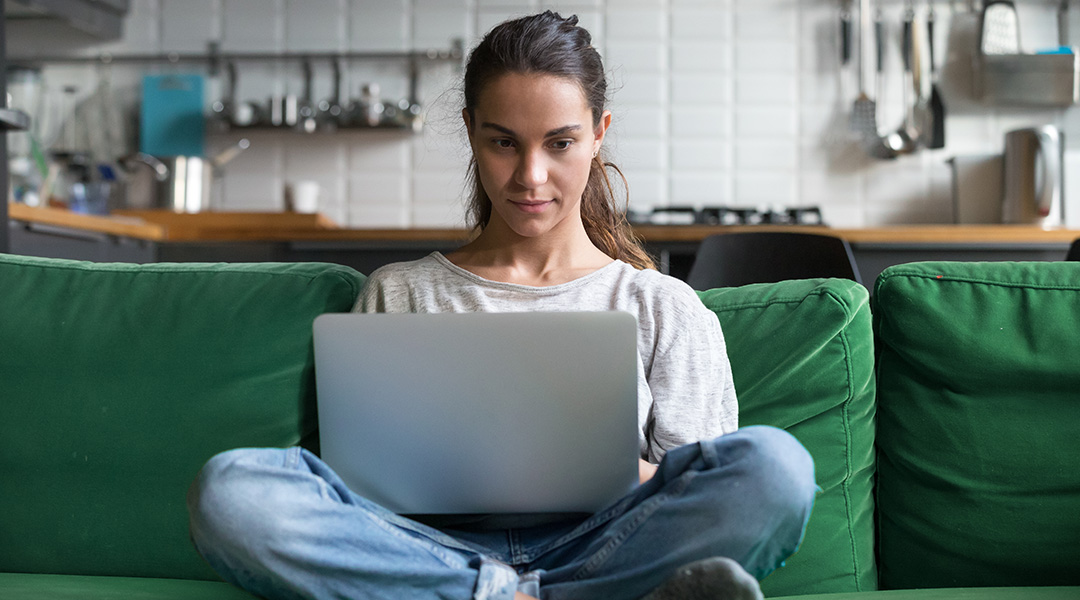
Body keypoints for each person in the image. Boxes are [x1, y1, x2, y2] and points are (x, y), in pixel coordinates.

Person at [187, 11, 816, 600]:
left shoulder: (660, 304)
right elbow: (362, 489)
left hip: (603, 542)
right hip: (429, 547)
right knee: (232, 491)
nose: (531, 176)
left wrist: (594, 470)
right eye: (505, 143)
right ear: (471, 132)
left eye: (560, 143)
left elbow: (697, 483)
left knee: (775, 468)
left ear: (598, 134)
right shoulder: (400, 292)